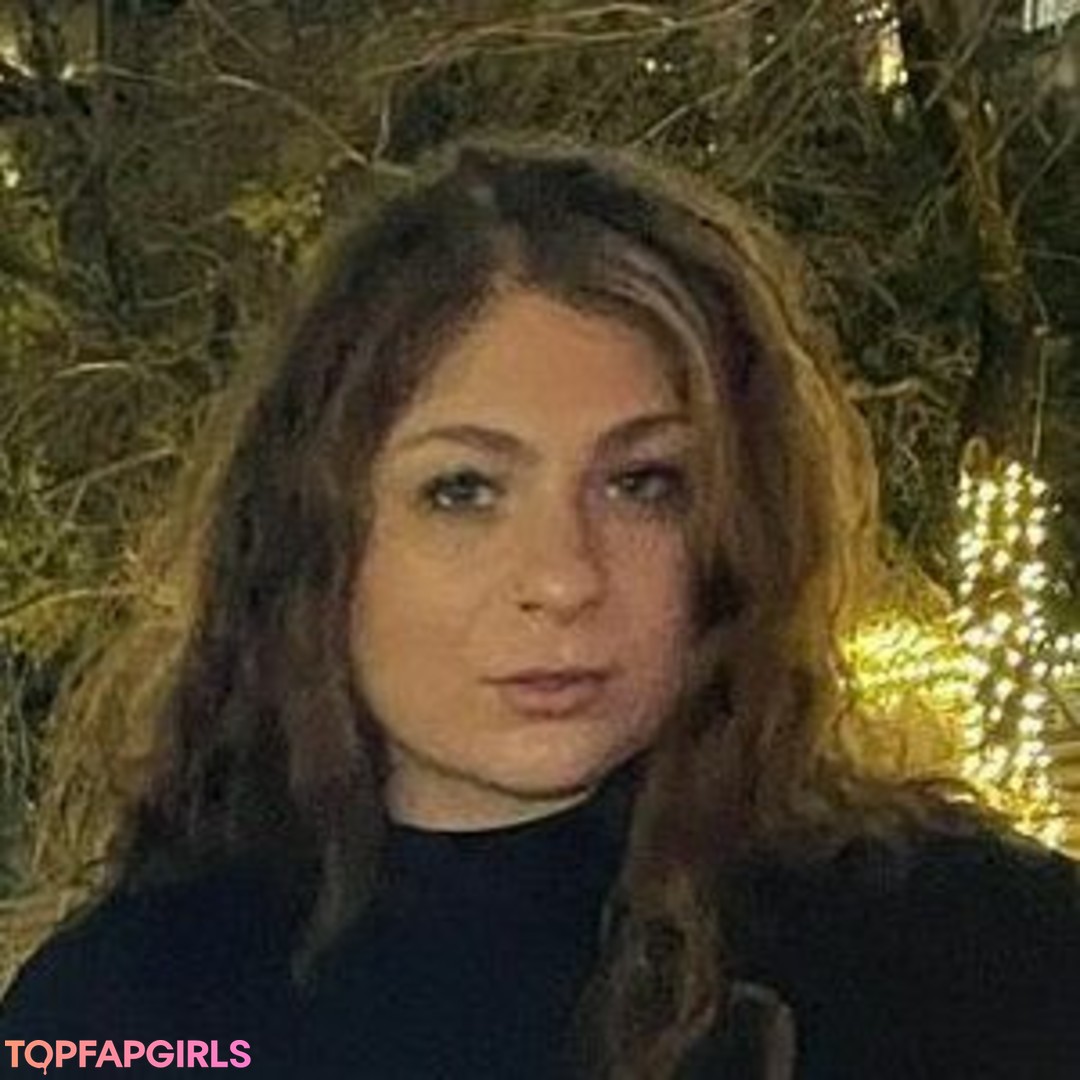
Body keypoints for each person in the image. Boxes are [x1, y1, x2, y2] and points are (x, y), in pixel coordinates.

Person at [1, 136, 1078, 1080]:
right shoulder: (127, 1015)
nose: (563, 577)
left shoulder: (979, 956)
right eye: (463, 490)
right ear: (311, 539)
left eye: (642, 484)